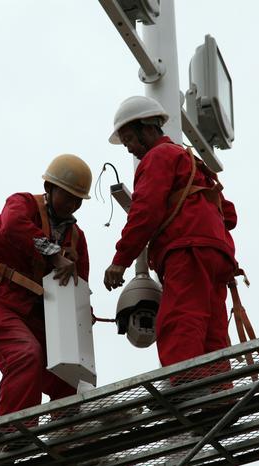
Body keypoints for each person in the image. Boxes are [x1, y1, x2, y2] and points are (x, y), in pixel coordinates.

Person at [103, 96, 239, 372]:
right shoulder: (192, 160)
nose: (129, 148)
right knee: (212, 328)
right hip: (218, 253)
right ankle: (218, 396)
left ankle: (184, 391)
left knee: (181, 319)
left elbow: (146, 212)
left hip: (186, 249)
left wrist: (120, 261)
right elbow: (230, 215)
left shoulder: (158, 157)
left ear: (148, 128)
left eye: (129, 138)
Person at [0, 154, 92, 417]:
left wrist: (84, 315)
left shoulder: (76, 239)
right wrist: (53, 254)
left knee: (69, 376)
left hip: (37, 317)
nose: (72, 204)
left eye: (77, 200)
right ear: (49, 188)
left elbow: (79, 289)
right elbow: (13, 225)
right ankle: (13, 436)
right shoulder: (22, 204)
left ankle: (70, 439)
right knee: (26, 355)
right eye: (67, 196)